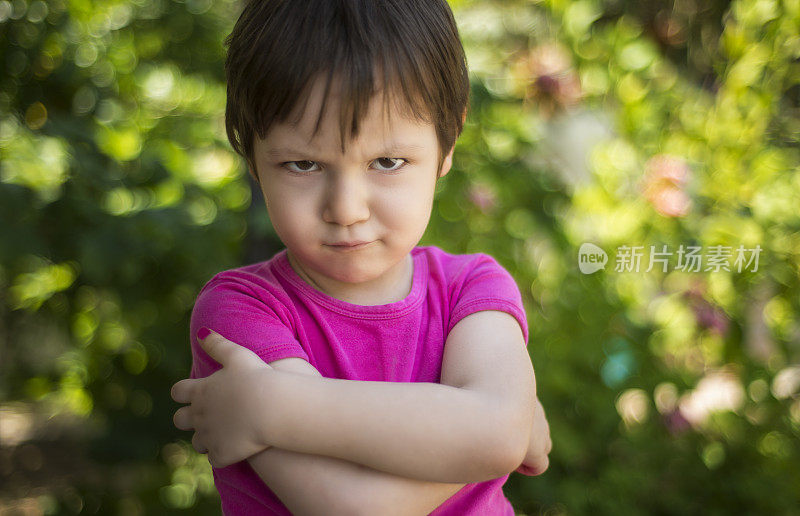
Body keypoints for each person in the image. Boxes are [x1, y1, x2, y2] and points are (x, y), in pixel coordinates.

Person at [170, 0, 552, 514]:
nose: (345, 209)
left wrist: (276, 406)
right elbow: (358, 506)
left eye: (387, 161)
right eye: (303, 163)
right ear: (250, 153)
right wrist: (490, 437)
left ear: (448, 139)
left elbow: (498, 435)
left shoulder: (472, 289)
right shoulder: (241, 312)